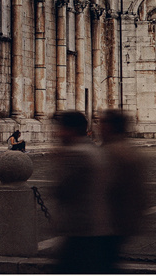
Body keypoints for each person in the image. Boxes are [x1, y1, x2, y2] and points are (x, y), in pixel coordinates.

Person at [50, 111, 110, 273]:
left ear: (71, 130)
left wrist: (60, 159)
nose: (58, 133)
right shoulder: (93, 149)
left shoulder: (77, 154)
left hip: (81, 229)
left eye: (61, 128)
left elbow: (63, 190)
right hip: (94, 227)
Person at [99, 110, 148, 272]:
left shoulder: (112, 152)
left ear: (110, 126)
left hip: (107, 223)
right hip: (119, 223)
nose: (98, 126)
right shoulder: (125, 150)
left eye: (102, 123)